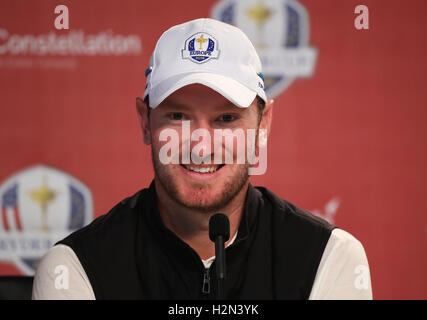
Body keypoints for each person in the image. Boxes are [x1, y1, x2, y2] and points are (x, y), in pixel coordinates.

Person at [32, 18, 372, 300]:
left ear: (263, 124)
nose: (201, 145)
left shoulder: (328, 257)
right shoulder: (76, 267)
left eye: (226, 119)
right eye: (178, 116)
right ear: (144, 122)